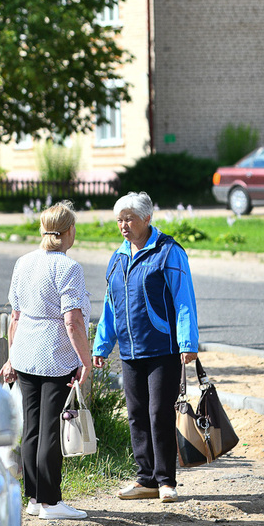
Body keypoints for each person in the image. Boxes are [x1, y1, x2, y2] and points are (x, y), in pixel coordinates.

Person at [92, 191, 199, 503]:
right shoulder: (118, 257)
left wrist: (187, 341)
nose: (124, 225)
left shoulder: (169, 252)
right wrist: (102, 344)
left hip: (162, 349)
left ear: (147, 219)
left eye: (130, 219)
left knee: (158, 413)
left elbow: (184, 299)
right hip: (129, 350)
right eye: (120, 220)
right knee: (136, 414)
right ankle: (146, 479)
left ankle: (166, 481)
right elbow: (110, 305)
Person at [0, 200, 93, 521]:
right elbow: (73, 321)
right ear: (69, 232)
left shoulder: (23, 263)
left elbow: (14, 316)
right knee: (51, 429)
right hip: (55, 356)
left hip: (25, 354)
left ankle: (35, 499)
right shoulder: (69, 268)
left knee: (33, 428)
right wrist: (86, 360)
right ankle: (52, 502)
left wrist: (11, 356)